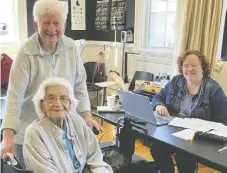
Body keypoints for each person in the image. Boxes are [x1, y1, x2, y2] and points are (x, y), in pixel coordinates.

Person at [0, 0, 101, 168]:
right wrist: (7, 137)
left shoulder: (71, 47)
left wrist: (86, 117)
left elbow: (80, 87)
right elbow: (14, 97)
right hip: (30, 132)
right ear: (35, 24)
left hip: (64, 131)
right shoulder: (26, 53)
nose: (52, 29)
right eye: (46, 23)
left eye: (56, 23)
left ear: (64, 25)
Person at [150, 50, 227, 173]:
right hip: (174, 130)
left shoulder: (213, 89)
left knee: (183, 157)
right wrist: (158, 105)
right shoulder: (176, 81)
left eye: (194, 65)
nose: (189, 69)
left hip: (197, 138)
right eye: (185, 66)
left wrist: (204, 132)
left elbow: (223, 122)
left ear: (203, 68)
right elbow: (157, 97)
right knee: (157, 148)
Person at [23, 77, 113, 173]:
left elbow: (95, 158)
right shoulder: (34, 134)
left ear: (70, 103)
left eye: (63, 98)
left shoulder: (77, 121)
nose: (58, 103)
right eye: (51, 98)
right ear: (41, 104)